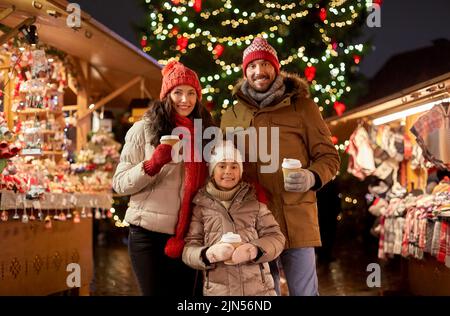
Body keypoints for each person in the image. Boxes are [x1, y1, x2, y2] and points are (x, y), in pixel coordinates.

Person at [220, 37, 340, 296]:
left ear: (276, 68)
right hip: (253, 222)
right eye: (252, 66)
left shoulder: (302, 107)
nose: (258, 71)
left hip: (295, 218)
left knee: (305, 292)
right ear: (245, 72)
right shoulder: (232, 115)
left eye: (265, 64)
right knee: (264, 293)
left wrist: (311, 176)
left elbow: (329, 157)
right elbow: (222, 165)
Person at [112, 60, 214, 296]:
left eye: (191, 93)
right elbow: (119, 183)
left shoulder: (206, 133)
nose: (185, 100)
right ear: (167, 94)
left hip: (189, 235)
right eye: (178, 92)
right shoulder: (144, 129)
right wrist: (152, 164)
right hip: (147, 235)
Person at [182, 141, 285, 296]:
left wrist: (253, 250)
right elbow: (189, 249)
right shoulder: (201, 207)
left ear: (241, 171)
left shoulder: (254, 203)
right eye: (222, 166)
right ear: (212, 171)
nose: (228, 171)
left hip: (259, 291)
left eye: (234, 166)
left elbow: (276, 237)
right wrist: (208, 254)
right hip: (219, 292)